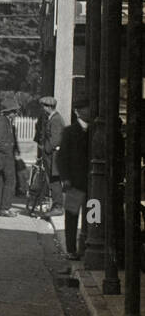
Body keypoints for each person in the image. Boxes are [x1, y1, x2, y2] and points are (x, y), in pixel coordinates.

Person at [56, 98, 90, 259]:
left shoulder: (96, 130)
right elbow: (61, 157)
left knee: (93, 216)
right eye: (86, 108)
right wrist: (65, 178)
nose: (89, 111)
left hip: (93, 183)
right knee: (72, 215)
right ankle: (71, 250)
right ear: (78, 111)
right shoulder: (69, 132)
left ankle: (88, 248)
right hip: (75, 181)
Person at [0, 104, 20, 216]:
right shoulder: (2, 122)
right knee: (10, 181)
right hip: (4, 157)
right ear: (9, 112)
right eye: (14, 112)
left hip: (4, 156)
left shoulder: (7, 122)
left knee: (1, 181)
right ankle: (5, 208)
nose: (16, 114)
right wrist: (9, 150)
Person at [37, 96, 64, 180]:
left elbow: (55, 139)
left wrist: (46, 149)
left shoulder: (56, 119)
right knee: (48, 180)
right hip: (49, 155)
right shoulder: (51, 118)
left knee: (53, 182)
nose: (43, 109)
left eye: (44, 107)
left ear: (49, 107)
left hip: (52, 155)